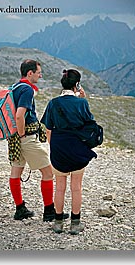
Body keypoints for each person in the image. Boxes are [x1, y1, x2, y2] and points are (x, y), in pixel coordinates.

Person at [8, 59, 69, 222]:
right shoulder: (27, 90)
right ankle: (49, 211)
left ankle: (20, 208)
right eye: (38, 73)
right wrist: (23, 136)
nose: (40, 76)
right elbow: (20, 115)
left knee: (16, 172)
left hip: (14, 138)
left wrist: (18, 136)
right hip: (25, 137)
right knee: (48, 173)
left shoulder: (15, 87)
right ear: (30, 73)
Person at [41, 69, 97, 235]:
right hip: (78, 149)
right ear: (77, 85)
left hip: (59, 149)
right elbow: (89, 125)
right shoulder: (82, 103)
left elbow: (48, 130)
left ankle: (58, 223)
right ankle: (75, 223)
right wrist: (83, 99)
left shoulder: (53, 103)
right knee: (76, 187)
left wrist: (55, 147)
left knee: (59, 187)